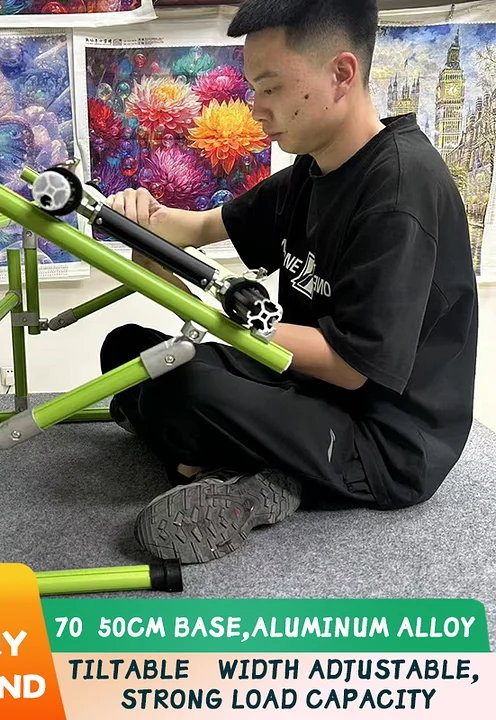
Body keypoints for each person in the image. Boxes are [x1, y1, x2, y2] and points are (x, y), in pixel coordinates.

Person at [101, 0, 479, 565]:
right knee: (127, 351)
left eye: (271, 88)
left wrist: (199, 304)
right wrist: (138, 216)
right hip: (306, 386)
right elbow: (199, 226)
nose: (256, 108)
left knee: (183, 386)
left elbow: (349, 367)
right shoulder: (315, 164)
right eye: (255, 88)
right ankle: (235, 463)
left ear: (341, 74)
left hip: (383, 441)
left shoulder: (400, 191)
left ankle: (258, 482)